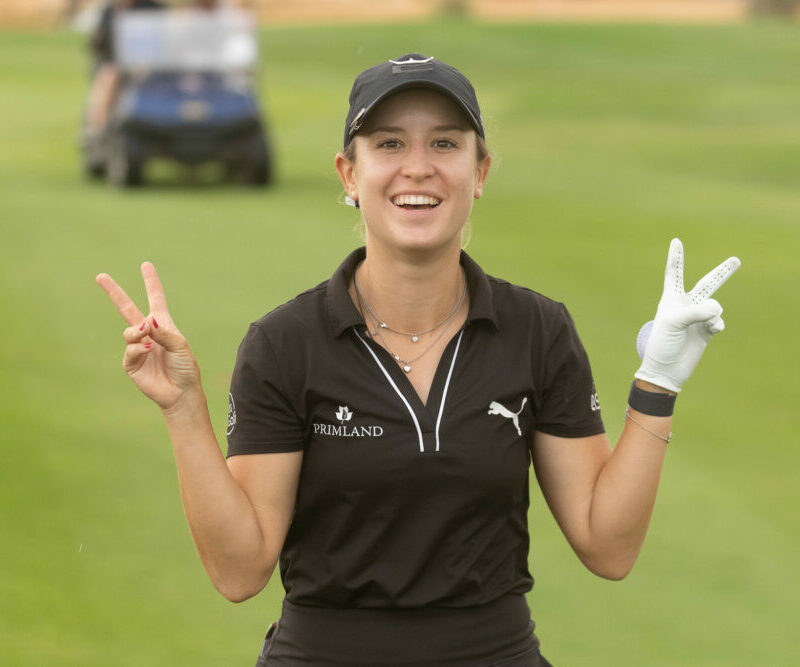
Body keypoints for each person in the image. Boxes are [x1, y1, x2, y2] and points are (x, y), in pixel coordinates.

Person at [96, 54, 741, 666]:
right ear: (350, 175)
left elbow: (609, 545)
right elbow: (239, 572)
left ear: (480, 170)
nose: (418, 167)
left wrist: (656, 384)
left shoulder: (536, 330)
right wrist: (183, 408)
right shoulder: (286, 343)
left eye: (444, 143)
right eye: (389, 144)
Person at [86, 0, 164, 138]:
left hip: (147, 61)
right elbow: (98, 44)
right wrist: (98, 38)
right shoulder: (109, 11)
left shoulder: (152, 8)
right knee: (110, 75)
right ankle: (98, 129)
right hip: (116, 63)